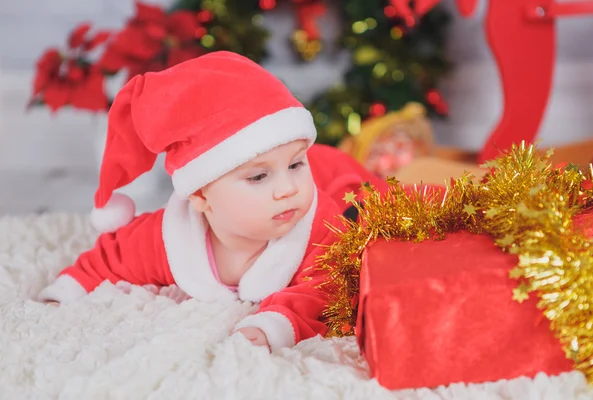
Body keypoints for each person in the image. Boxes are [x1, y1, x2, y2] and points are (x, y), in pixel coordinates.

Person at [37, 51, 387, 351]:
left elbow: (325, 290)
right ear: (202, 195)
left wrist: (276, 324)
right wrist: (67, 289)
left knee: (375, 202)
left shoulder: (319, 225)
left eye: (296, 163)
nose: (288, 189)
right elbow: (112, 255)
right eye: (258, 177)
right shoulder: (169, 238)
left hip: (335, 177)